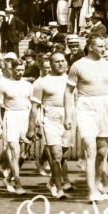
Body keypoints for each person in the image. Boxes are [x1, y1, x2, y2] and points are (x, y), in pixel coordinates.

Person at [64, 35, 108, 203]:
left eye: (104, 46)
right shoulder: (78, 65)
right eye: (100, 46)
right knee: (89, 148)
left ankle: (97, 183)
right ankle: (91, 191)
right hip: (86, 107)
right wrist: (67, 114)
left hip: (106, 107)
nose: (104, 49)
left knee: (102, 152)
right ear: (91, 47)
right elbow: (68, 91)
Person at [30, 51, 74, 198]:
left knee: (62, 155)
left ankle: (52, 181)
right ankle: (59, 188)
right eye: (57, 61)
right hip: (51, 118)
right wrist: (31, 128)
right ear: (51, 64)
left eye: (63, 61)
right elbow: (35, 107)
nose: (61, 64)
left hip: (69, 118)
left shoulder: (72, 80)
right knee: (56, 155)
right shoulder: (42, 82)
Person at [0, 59, 34, 193]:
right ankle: (18, 184)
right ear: (11, 69)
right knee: (15, 151)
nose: (20, 73)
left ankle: (9, 178)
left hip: (26, 117)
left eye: (22, 70)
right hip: (11, 117)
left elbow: (33, 105)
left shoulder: (28, 85)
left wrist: (35, 122)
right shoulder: (2, 84)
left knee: (23, 154)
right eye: (18, 70)